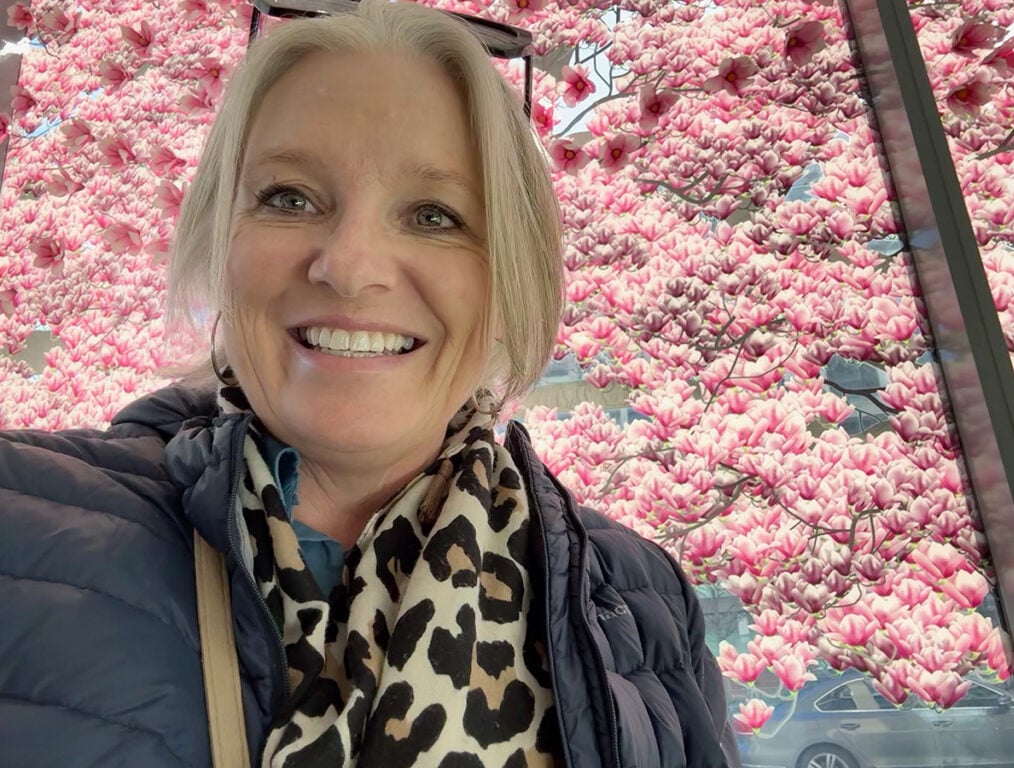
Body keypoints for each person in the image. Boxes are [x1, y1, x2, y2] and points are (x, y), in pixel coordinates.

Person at [0, 1, 739, 766]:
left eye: (433, 215)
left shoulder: (641, 603)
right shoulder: (20, 532)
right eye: (288, 198)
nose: (349, 268)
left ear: (509, 275)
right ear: (221, 239)